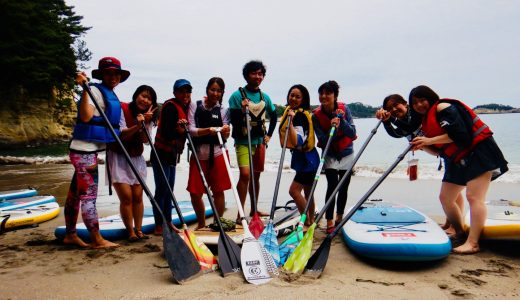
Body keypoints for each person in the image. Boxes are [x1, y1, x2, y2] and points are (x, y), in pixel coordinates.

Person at [409, 85, 508, 254]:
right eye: (415, 103)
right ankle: (460, 233)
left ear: (430, 97)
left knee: (474, 197)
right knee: (446, 197)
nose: (419, 105)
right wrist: (422, 145)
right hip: (459, 158)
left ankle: (473, 242)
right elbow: (439, 150)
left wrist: (428, 140)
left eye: (422, 100)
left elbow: (462, 136)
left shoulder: (443, 108)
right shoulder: (426, 120)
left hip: (480, 153)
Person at [64, 56, 130, 248]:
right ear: (101, 75)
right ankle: (96, 239)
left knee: (75, 195)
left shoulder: (107, 92)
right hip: (84, 152)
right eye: (108, 73)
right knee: (89, 196)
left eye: (116, 73)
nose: (113, 77)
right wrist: (85, 89)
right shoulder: (93, 90)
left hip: (87, 150)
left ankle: (70, 234)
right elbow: (85, 116)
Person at [376, 94, 464, 234]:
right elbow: (397, 133)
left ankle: (456, 226)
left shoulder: (415, 114)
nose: (393, 109)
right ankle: (450, 223)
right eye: (389, 108)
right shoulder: (403, 119)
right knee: (453, 191)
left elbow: (410, 127)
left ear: (405, 103)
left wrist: (390, 118)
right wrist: (386, 122)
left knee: (452, 192)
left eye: (396, 105)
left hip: (455, 150)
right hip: (444, 152)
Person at [106, 85, 158, 241]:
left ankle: (139, 230)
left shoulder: (147, 117)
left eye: (149, 98)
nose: (145, 100)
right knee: (127, 197)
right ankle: (130, 232)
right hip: (119, 156)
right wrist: (137, 125)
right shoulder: (123, 109)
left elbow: (145, 141)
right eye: (143, 96)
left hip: (136, 158)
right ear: (136, 95)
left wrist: (145, 123)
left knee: (137, 196)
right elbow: (122, 135)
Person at [228, 60, 277, 219]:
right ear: (247, 75)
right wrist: (242, 110)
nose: (258, 76)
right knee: (245, 174)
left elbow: (274, 115)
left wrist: (269, 134)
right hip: (243, 141)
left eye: (260, 74)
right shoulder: (237, 96)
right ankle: (240, 215)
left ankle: (254, 210)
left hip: (259, 142)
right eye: (254, 73)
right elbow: (233, 121)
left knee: (256, 176)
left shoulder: (265, 97)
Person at [187, 77, 232, 229]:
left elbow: (225, 135)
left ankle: (216, 223)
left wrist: (226, 132)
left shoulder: (224, 110)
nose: (215, 93)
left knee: (218, 191)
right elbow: (191, 130)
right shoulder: (195, 105)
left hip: (218, 154)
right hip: (198, 155)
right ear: (207, 90)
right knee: (195, 192)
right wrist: (208, 130)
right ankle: (200, 224)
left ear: (222, 93)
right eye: (213, 90)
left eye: (219, 91)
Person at [312, 80, 357, 234]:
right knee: (332, 186)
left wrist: (342, 122)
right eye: (321, 93)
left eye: (328, 93)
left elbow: (352, 133)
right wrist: (331, 127)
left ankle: (339, 217)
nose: (324, 96)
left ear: (335, 95)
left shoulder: (344, 109)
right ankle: (329, 220)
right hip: (330, 154)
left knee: (344, 187)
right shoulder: (316, 115)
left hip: (346, 152)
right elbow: (321, 139)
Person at [151, 79, 191, 235]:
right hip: (161, 154)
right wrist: (180, 131)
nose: (185, 94)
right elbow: (168, 133)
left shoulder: (184, 108)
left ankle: (168, 222)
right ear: (175, 93)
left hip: (171, 155)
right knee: (162, 190)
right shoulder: (170, 108)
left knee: (169, 191)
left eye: (188, 91)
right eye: (182, 91)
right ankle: (159, 225)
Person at [279, 84, 320, 227]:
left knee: (294, 191)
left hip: (307, 160)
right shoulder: (293, 112)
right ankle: (312, 220)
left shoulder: (299, 116)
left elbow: (298, 140)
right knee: (308, 193)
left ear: (303, 100)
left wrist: (290, 123)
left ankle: (307, 221)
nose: (294, 99)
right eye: (292, 95)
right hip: (307, 158)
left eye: (298, 97)